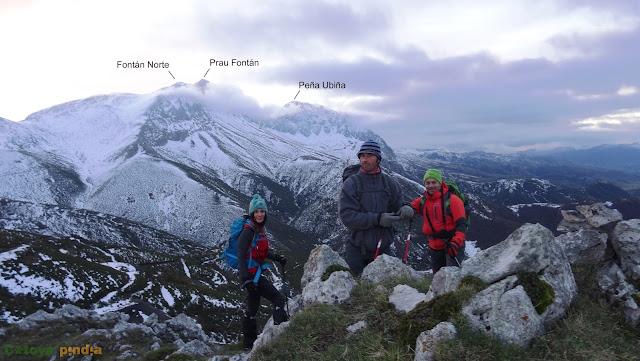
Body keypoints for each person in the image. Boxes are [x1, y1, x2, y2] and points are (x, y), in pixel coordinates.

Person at [338, 140, 414, 276]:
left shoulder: (390, 183)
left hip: (384, 248)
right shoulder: (351, 184)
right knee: (357, 290)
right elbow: (347, 216)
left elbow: (399, 204)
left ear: (378, 159)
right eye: (362, 156)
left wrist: (406, 207)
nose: (365, 159)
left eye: (369, 155)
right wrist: (377, 219)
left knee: (383, 291)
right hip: (356, 249)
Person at [237, 194, 288, 351]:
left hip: (254, 275)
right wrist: (246, 278)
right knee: (279, 299)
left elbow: (260, 252)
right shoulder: (248, 231)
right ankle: (280, 333)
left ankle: (248, 345)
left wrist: (276, 257)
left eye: (262, 211)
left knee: (252, 309)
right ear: (252, 213)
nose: (259, 214)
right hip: (251, 277)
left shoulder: (258, 229)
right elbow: (240, 253)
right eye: (256, 211)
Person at [409, 169, 466, 274]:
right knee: (438, 278)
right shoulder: (423, 201)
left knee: (451, 277)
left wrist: (456, 242)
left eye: (434, 182)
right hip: (434, 247)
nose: (431, 186)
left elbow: (462, 224)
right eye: (428, 183)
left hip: (452, 245)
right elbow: (409, 208)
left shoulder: (453, 200)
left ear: (440, 183)